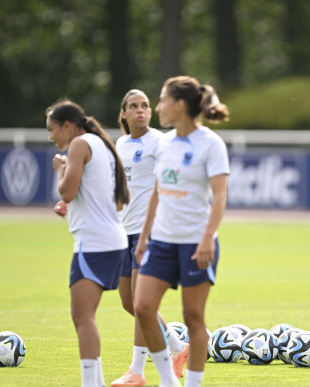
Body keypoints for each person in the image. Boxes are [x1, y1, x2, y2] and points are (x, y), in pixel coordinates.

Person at [133, 76, 230, 387]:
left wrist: (206, 239)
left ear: (179, 105)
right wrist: (144, 237)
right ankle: (168, 381)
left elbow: (220, 196)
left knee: (193, 318)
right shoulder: (165, 144)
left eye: (161, 101)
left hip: (195, 244)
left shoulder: (211, 144)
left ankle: (192, 384)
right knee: (143, 307)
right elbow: (157, 193)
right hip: (161, 241)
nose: (157, 107)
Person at [47, 99, 130, 387]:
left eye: (52, 129)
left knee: (82, 317)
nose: (50, 136)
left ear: (67, 126)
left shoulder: (80, 145)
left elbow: (67, 191)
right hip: (111, 240)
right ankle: (95, 381)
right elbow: (109, 197)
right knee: (85, 316)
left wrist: (61, 167)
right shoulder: (100, 143)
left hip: (94, 243)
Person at [111, 89, 188, 387]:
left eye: (145, 105)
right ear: (124, 113)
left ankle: (137, 372)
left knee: (143, 303)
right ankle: (179, 349)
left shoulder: (161, 141)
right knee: (130, 304)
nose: (141, 110)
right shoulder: (120, 144)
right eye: (134, 106)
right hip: (124, 231)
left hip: (151, 232)